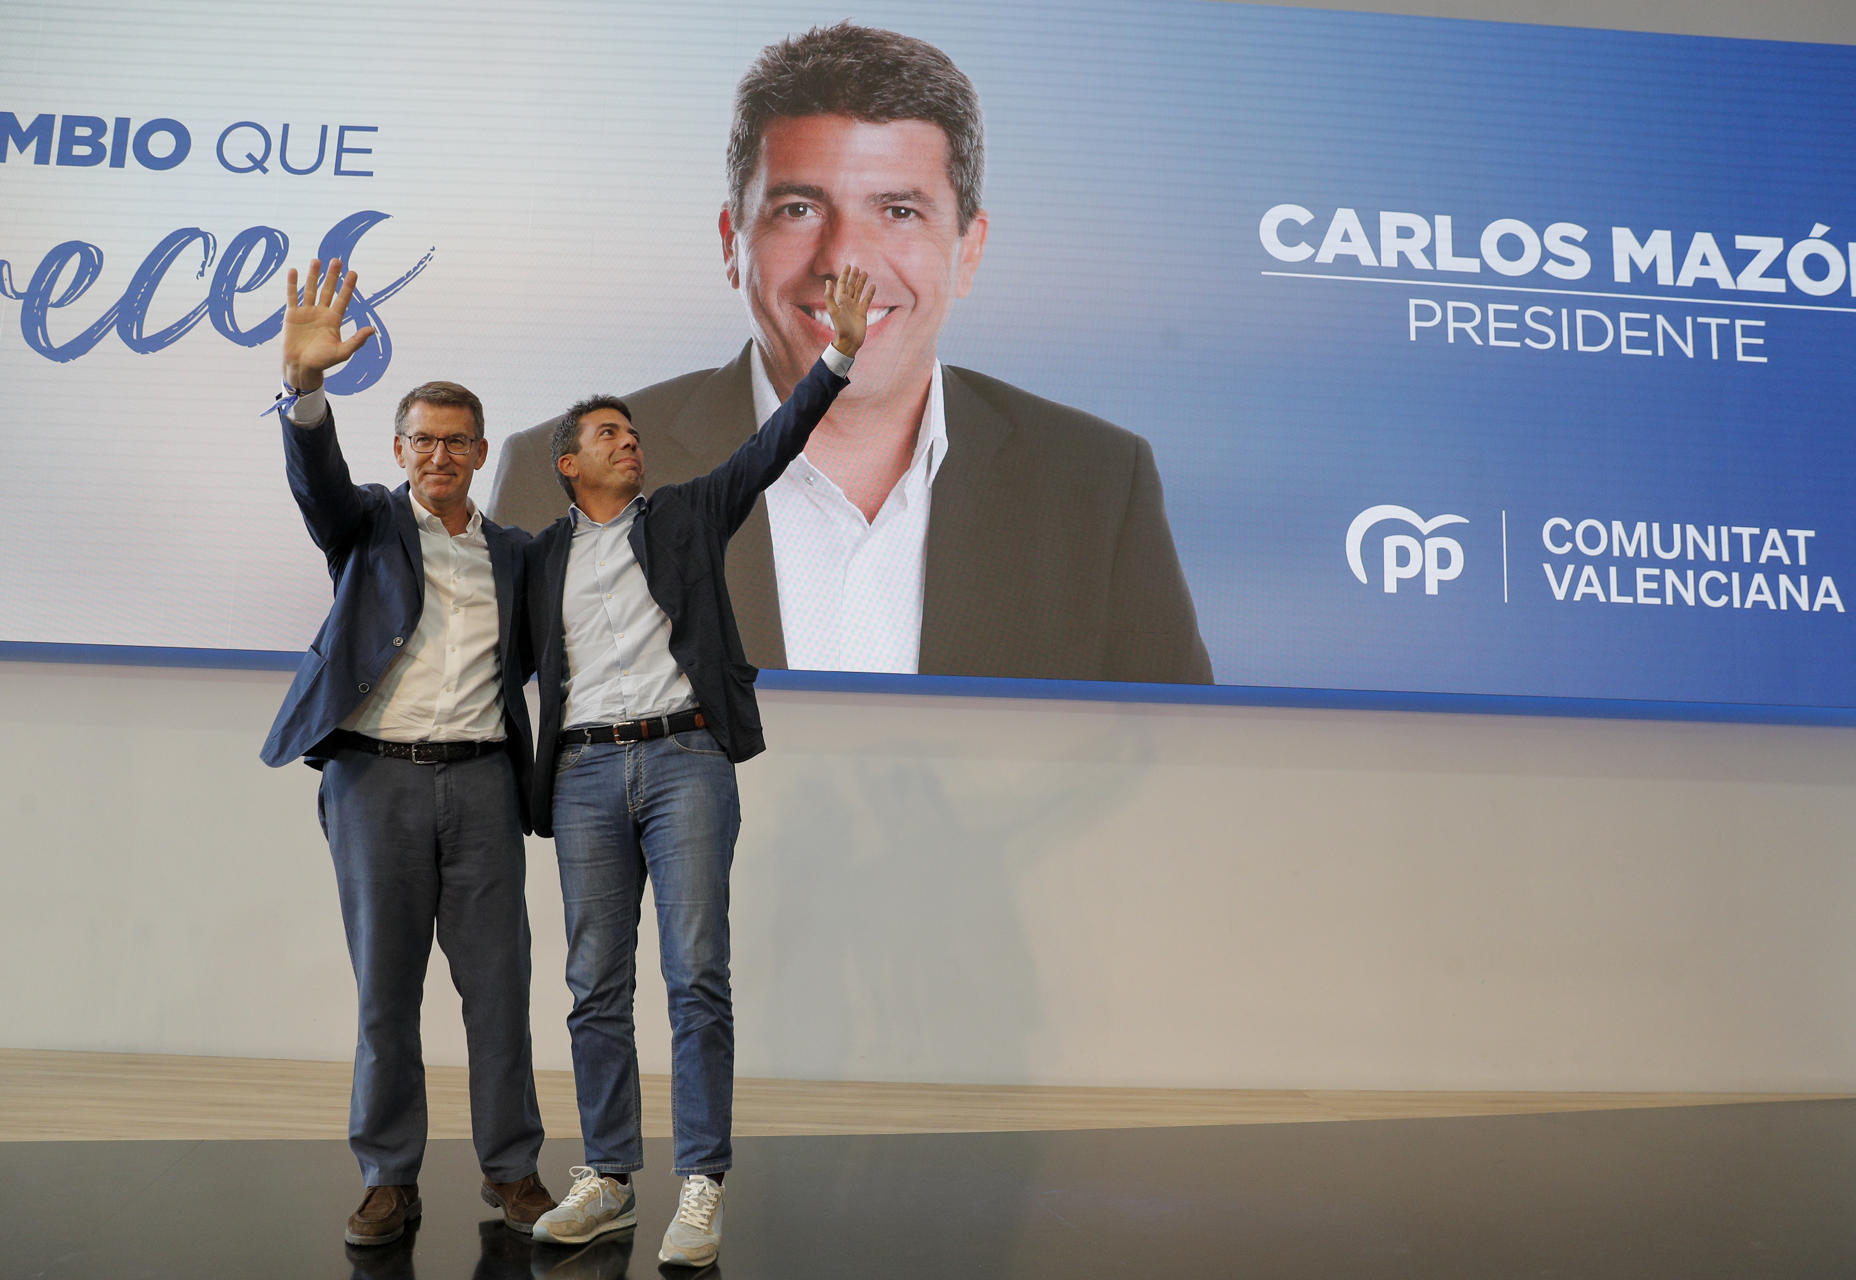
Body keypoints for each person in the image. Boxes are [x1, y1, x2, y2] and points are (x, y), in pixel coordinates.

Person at [492, 22, 1210, 686]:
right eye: (798, 209)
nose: (843, 262)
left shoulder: (1099, 485)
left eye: (899, 211)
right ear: (731, 243)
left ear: (970, 251)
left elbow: (1182, 776)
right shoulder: (557, 475)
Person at [525, 264, 872, 1265]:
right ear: (567, 464)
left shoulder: (683, 512)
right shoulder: (539, 556)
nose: (629, 441)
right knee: (593, 978)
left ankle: (702, 1181)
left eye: (633, 431)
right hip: (587, 772)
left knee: (696, 973)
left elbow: (774, 444)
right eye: (607, 434)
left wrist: (836, 355)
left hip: (684, 759)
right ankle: (607, 1176)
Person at [261, 258, 554, 1245]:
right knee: (387, 989)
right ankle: (390, 1175)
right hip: (375, 780)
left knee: (499, 989)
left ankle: (513, 1168)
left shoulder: (515, 553)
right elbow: (319, 482)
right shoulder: (368, 525)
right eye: (420, 439)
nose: (437, 454)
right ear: (401, 447)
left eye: (454, 441)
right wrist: (305, 389)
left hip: (479, 784)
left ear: (478, 452)